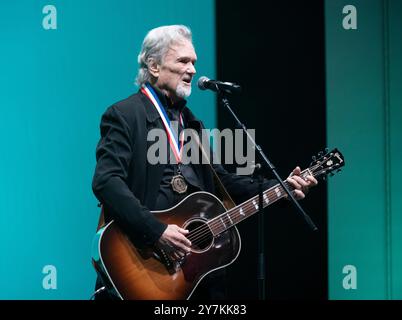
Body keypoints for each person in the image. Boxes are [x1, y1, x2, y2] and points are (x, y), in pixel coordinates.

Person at [91, 24, 317, 300]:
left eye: (194, 62)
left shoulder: (192, 125)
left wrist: (282, 188)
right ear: (154, 66)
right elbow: (106, 181)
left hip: (192, 276)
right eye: (183, 61)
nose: (193, 70)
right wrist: (157, 230)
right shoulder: (124, 115)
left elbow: (225, 183)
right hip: (143, 262)